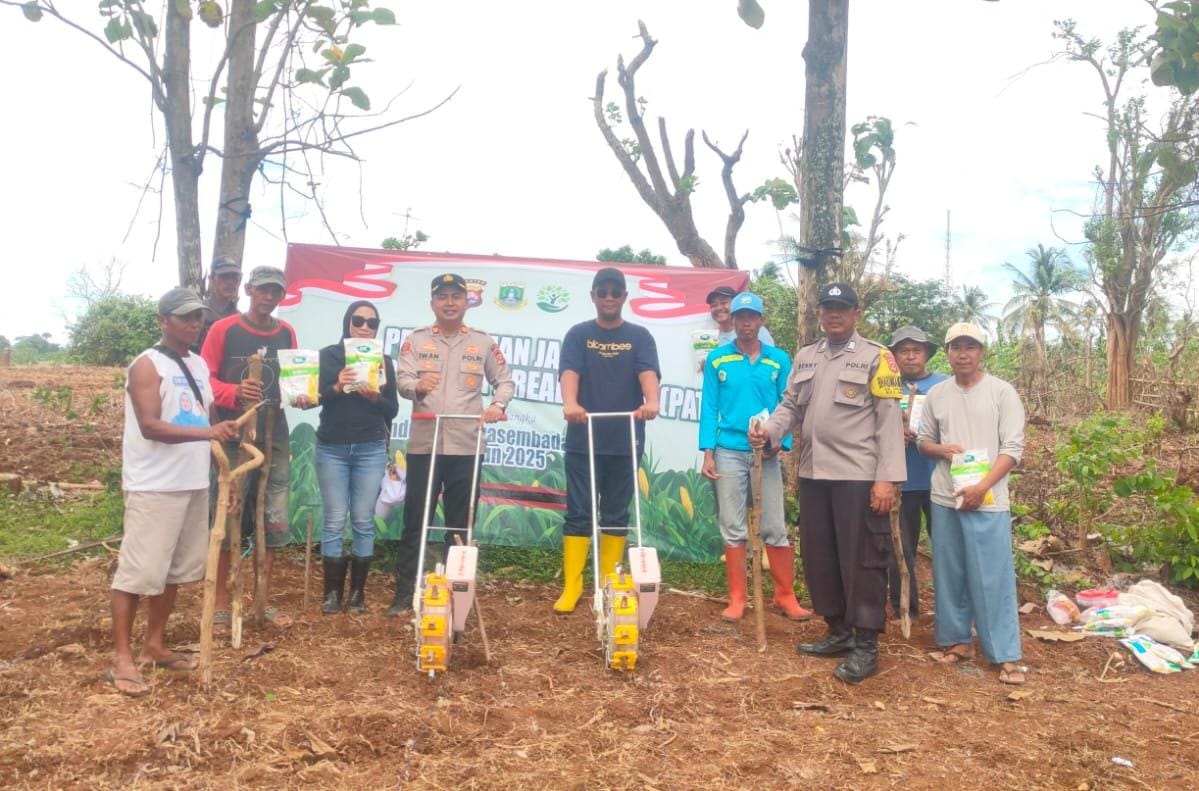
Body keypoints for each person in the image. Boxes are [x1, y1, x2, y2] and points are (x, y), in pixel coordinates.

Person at [749, 282, 905, 684]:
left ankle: (866, 645)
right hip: (813, 474)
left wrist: (886, 478)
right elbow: (790, 406)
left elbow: (889, 420)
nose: (834, 314)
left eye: (842, 308)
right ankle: (838, 631)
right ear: (819, 313)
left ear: (856, 314)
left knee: (862, 561)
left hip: (857, 476)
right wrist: (769, 432)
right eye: (828, 307)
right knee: (821, 557)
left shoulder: (877, 358)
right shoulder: (806, 357)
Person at [106, 287, 239, 697]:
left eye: (198, 316)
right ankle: (122, 658)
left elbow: (208, 422)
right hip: (154, 487)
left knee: (175, 572)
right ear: (162, 320)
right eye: (185, 317)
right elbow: (150, 426)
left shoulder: (198, 365)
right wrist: (208, 432)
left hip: (193, 483)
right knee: (138, 573)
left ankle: (154, 646)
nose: (194, 323)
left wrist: (225, 475)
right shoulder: (147, 366)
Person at [390, 274, 514, 616]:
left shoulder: (482, 342)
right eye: (442, 296)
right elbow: (402, 380)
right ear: (432, 303)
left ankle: (456, 600)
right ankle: (404, 594)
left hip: (466, 447)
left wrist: (497, 406)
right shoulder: (415, 340)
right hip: (425, 446)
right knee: (416, 521)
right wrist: (417, 386)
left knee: (460, 526)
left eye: (455, 296)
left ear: (466, 302)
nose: (449, 302)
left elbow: (504, 381)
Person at [917, 322, 1027, 685]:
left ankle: (1005, 653)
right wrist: (940, 449)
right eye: (956, 347)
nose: (963, 354)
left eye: (970, 347)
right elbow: (923, 442)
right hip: (945, 496)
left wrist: (982, 486)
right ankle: (956, 640)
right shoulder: (937, 395)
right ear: (947, 353)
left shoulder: (1001, 392)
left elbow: (1013, 449)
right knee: (949, 572)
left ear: (981, 352)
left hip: (988, 499)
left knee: (992, 575)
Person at [553, 267, 661, 613]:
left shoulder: (640, 336)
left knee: (616, 513)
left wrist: (652, 401)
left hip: (625, 440)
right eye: (603, 292)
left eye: (616, 292)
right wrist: (570, 404)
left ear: (624, 296)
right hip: (583, 438)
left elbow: (647, 372)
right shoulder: (579, 334)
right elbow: (570, 371)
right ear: (594, 296)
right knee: (579, 512)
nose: (609, 297)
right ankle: (572, 586)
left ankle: (607, 583)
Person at [200, 265, 301, 630]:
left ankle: (262, 600)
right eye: (262, 289)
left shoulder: (286, 332)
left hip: (275, 432)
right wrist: (233, 391)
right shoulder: (223, 330)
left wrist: (302, 395)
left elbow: (293, 381)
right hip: (233, 433)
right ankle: (222, 604)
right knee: (229, 511)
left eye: (275, 291)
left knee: (271, 514)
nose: (268, 297)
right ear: (249, 290)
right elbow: (203, 378)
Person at [700, 292, 811, 622]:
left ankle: (784, 595)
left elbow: (788, 405)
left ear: (761, 320)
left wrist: (780, 443)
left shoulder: (779, 360)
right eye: (740, 317)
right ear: (733, 321)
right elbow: (709, 408)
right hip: (728, 451)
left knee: (774, 524)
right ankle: (737, 598)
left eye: (752, 317)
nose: (746, 323)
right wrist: (708, 453)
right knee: (732, 526)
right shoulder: (718, 359)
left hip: (766, 453)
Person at [315, 300, 399, 615]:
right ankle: (331, 595)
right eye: (358, 320)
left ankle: (357, 596)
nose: (364, 327)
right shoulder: (328, 356)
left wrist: (375, 397)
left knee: (363, 520)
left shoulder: (383, 362)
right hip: (332, 448)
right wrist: (338, 385)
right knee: (334, 519)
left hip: (370, 449)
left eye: (372, 323)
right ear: (347, 322)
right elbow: (312, 398)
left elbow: (392, 409)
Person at [887, 326, 947, 619]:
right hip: (902, 480)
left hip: (940, 479)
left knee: (947, 546)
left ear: (926, 354)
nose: (910, 356)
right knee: (901, 547)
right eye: (904, 351)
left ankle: (951, 609)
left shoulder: (944, 385)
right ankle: (905, 609)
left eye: (916, 351)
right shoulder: (886, 386)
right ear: (895, 356)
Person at [195, 255, 242, 352]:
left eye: (235, 278)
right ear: (211, 279)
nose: (230, 282)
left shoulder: (240, 317)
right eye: (224, 277)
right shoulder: (199, 312)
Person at [706, 285, 775, 346]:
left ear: (735, 305)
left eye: (723, 303)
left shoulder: (755, 331)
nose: (719, 308)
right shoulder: (710, 337)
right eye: (714, 305)